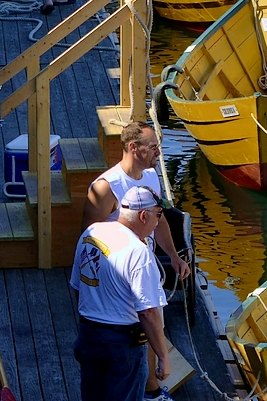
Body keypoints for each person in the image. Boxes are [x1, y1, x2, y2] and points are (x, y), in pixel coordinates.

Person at [82, 122, 190, 401]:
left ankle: (151, 389)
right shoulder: (107, 187)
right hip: (117, 272)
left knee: (149, 327)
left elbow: (160, 220)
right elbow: (88, 238)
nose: (158, 152)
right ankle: (149, 390)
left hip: (143, 260)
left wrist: (174, 257)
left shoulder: (151, 176)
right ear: (133, 147)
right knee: (145, 323)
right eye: (153, 146)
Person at [72, 186, 172, 401]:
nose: (158, 222)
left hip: (88, 335)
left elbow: (78, 287)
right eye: (158, 215)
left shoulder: (91, 233)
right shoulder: (138, 251)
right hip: (122, 345)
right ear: (144, 216)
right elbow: (148, 312)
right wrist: (163, 356)